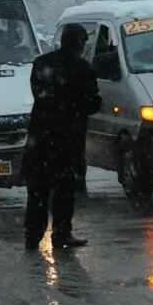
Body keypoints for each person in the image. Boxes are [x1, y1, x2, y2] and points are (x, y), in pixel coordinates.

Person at [23, 23, 101, 250]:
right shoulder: (83, 69)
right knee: (64, 191)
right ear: (80, 44)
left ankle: (33, 235)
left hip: (41, 139)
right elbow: (92, 103)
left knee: (37, 191)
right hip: (68, 140)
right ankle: (61, 233)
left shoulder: (42, 64)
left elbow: (39, 94)